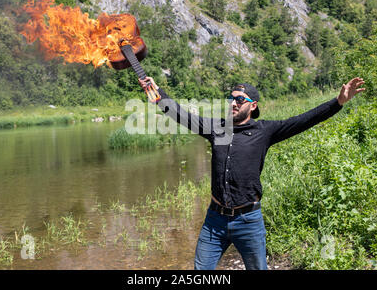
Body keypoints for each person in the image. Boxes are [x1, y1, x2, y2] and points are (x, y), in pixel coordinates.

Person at [138, 76, 365, 270]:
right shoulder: (218, 129)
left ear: (253, 105)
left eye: (239, 99)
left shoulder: (264, 131)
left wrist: (338, 102)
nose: (233, 103)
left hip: (248, 220)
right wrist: (158, 93)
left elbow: (304, 120)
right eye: (231, 98)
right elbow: (181, 115)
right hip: (214, 220)